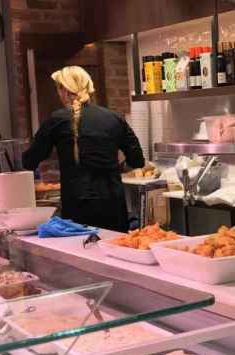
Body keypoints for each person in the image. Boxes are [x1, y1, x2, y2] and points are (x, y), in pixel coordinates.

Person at [22, 66, 145, 231]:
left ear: (64, 91)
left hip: (77, 208)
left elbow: (29, 161)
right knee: (111, 254)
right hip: (113, 206)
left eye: (58, 88)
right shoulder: (114, 118)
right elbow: (137, 160)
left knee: (79, 254)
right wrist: (115, 167)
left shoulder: (57, 120)